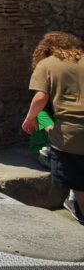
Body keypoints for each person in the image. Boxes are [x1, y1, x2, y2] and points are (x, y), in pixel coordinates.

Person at [22, 32, 84, 225]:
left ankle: (76, 204)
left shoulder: (46, 65)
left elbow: (40, 97)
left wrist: (29, 118)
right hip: (59, 139)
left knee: (78, 182)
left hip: (69, 138)